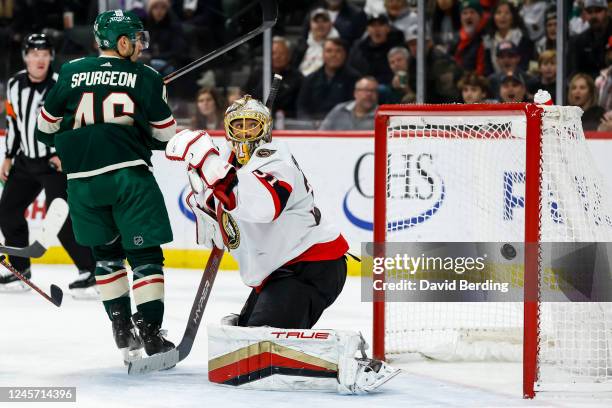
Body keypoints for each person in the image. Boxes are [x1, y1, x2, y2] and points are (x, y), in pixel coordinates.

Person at [165, 94, 398, 393]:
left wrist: (205, 161)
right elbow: (221, 217)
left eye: (253, 125)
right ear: (228, 128)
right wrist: (201, 188)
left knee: (260, 352)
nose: (246, 132)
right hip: (278, 272)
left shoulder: (277, 160)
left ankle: (350, 361)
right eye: (239, 125)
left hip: (312, 267)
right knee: (242, 343)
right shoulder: (228, 162)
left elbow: (262, 207)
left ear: (266, 128)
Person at [34, 10, 177, 364]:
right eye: (136, 39)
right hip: (128, 178)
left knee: (106, 256)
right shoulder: (145, 76)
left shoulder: (69, 71)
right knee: (144, 257)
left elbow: (44, 129)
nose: (141, 45)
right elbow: (166, 137)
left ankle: (120, 327)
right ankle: (151, 332)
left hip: (81, 184)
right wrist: (149, 105)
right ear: (123, 42)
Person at [0, 34, 96, 296]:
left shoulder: (61, 84)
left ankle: (90, 271)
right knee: (7, 212)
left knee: (61, 218)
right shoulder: (14, 84)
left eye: (44, 53)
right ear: (26, 57)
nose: (39, 58)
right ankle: (20, 268)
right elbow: (14, 123)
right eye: (34, 53)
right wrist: (8, 156)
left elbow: (77, 123)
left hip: (54, 163)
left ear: (51, 57)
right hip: (24, 161)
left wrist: (65, 153)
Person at [297, 38, 360, 121]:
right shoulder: (310, 79)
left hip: (343, 126)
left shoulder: (355, 79)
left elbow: (355, 108)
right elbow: (302, 107)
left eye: (338, 51)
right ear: (323, 54)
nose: (333, 55)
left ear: (345, 54)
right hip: (314, 126)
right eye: (329, 51)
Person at [244, 36, 303, 119]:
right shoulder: (258, 74)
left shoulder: (298, 78)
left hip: (287, 122)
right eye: (273, 53)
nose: (277, 56)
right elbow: (246, 96)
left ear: (289, 56)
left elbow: (300, 107)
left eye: (281, 53)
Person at [347, 13, 404, 85]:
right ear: (367, 29)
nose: (377, 29)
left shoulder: (396, 47)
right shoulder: (359, 47)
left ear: (388, 28)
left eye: (380, 25)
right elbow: (351, 68)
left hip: (387, 86)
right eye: (373, 26)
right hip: (362, 86)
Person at [482, 0, 534, 75]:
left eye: (507, 13)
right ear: (493, 17)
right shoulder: (488, 40)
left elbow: (525, 66)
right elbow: (488, 68)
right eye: (498, 13)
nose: (503, 16)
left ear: (513, 17)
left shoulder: (523, 38)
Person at [569, 0, 612, 80]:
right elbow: (576, 73)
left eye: (598, 11)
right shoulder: (579, 40)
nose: (593, 16)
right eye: (589, 12)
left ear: (607, 12)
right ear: (584, 14)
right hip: (589, 87)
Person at [294, 8, 340, 77]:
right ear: (310, 24)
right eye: (316, 21)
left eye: (324, 21)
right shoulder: (301, 46)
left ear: (331, 24)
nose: (320, 25)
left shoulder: (339, 46)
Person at [452, 0, 488, 76]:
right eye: (465, 13)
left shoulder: (485, 38)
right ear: (461, 18)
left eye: (472, 12)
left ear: (480, 16)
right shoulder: (455, 39)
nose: (468, 16)